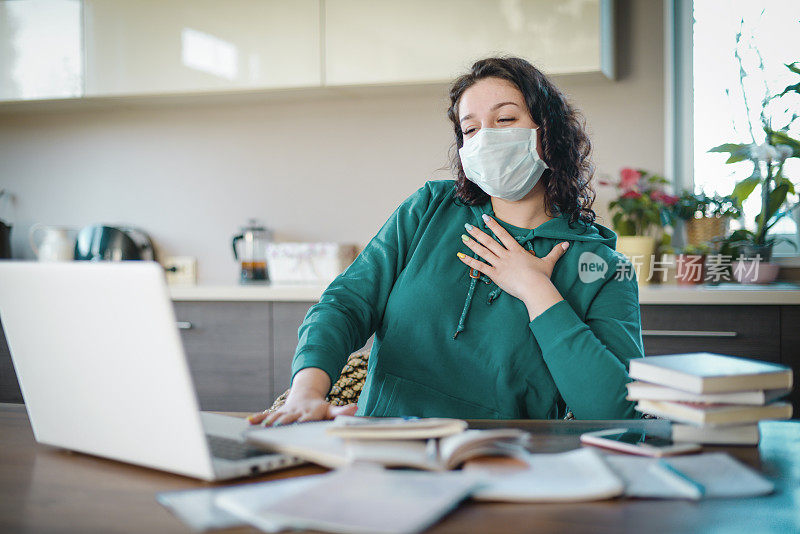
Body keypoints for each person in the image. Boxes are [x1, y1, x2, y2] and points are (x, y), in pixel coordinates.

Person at [248, 56, 644, 427]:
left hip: (504, 466)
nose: (486, 138)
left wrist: (536, 289)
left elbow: (617, 415)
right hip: (381, 448)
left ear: (550, 133)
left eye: (505, 119)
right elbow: (346, 302)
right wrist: (306, 392)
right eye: (470, 129)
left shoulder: (602, 267)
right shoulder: (430, 209)